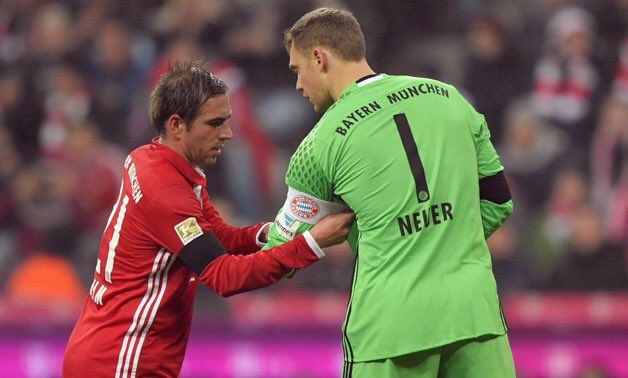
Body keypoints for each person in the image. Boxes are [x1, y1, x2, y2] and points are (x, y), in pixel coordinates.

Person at [263, 8, 516, 377]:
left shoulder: (319, 145)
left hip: (391, 329)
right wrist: (441, 240)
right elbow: (498, 201)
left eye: (296, 70)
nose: (298, 85)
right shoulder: (451, 98)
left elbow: (278, 255)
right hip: (476, 318)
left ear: (319, 58)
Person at [62, 60, 354, 378]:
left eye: (227, 121)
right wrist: (311, 244)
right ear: (176, 125)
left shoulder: (155, 160)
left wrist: (276, 231)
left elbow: (216, 236)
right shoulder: (165, 191)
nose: (227, 134)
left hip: (113, 349)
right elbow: (224, 277)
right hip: (121, 359)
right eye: (214, 123)